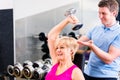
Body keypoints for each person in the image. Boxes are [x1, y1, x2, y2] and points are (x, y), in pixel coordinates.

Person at [77, 0, 120, 80]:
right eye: (99, 13)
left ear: (114, 13)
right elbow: (79, 43)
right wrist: (63, 42)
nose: (100, 16)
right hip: (88, 73)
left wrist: (92, 46)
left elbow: (109, 59)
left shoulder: (118, 33)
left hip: (106, 76)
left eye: (103, 13)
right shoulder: (96, 28)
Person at [45, 15, 85, 80]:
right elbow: (51, 36)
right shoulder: (56, 62)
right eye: (57, 48)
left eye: (62, 47)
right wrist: (67, 20)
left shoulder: (76, 72)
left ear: (71, 51)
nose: (58, 50)